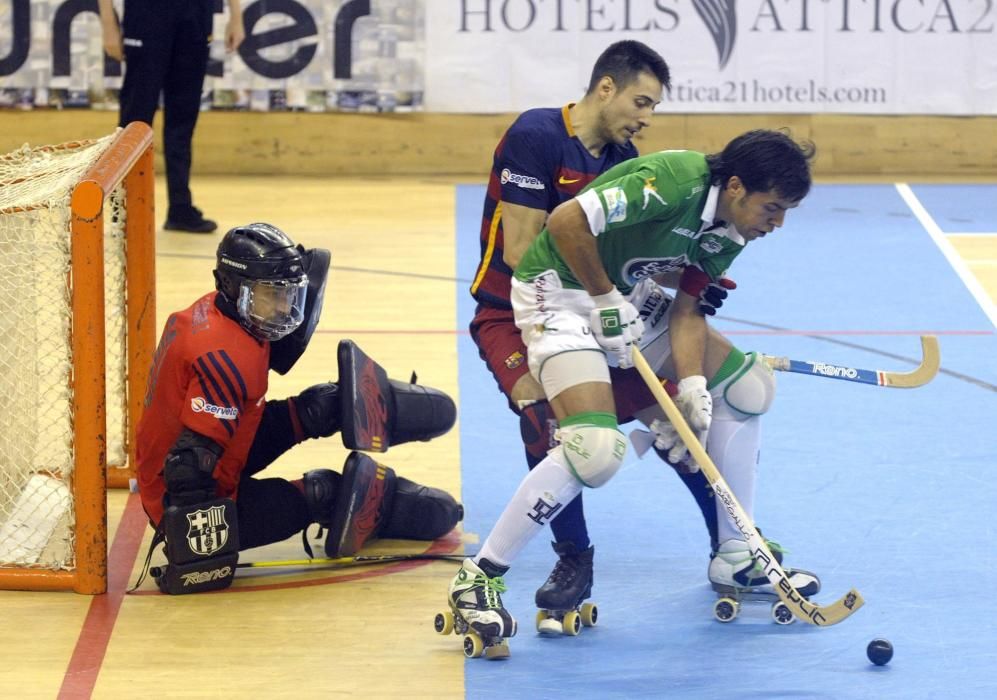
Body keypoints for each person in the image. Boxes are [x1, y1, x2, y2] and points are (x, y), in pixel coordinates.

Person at [447, 129, 822, 653]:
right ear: (736, 185)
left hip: (626, 296)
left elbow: (688, 311)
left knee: (747, 389)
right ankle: (479, 577)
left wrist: (691, 385)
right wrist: (603, 299)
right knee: (595, 453)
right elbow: (565, 220)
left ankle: (736, 553)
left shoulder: (731, 228)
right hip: (556, 292)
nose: (776, 223)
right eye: (773, 208)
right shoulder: (671, 181)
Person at [468, 40, 731, 624]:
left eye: (654, 108)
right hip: (514, 311)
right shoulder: (536, 137)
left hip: (592, 313)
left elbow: (626, 255)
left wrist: (680, 279)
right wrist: (612, 292)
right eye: (641, 101)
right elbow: (521, 249)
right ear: (605, 88)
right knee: (548, 420)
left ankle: (734, 546)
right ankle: (573, 557)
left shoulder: (625, 163)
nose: (645, 118)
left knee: (673, 418)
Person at [138, 222, 463, 594]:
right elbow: (189, 467)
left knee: (321, 405)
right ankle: (384, 512)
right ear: (230, 285)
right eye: (269, 295)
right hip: (188, 496)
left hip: (223, 447)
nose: (282, 308)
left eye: (287, 294)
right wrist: (196, 554)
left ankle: (389, 419)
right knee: (324, 491)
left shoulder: (218, 314)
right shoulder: (223, 357)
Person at [98, 0, 243, 233]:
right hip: (147, 15)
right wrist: (108, 22)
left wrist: (236, 16)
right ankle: (122, 209)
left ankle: (180, 207)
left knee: (183, 119)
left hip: (195, 15)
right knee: (135, 117)